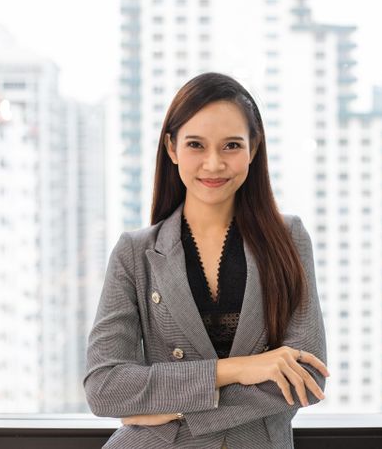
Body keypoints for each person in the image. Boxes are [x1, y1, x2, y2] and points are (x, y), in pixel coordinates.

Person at [83, 72, 329, 449]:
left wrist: (174, 407)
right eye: (196, 145)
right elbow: (104, 387)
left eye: (231, 145)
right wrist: (239, 369)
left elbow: (307, 378)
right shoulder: (135, 253)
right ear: (171, 148)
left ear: (254, 146)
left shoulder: (288, 239)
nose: (213, 164)